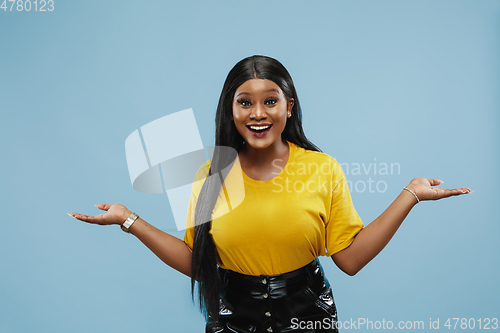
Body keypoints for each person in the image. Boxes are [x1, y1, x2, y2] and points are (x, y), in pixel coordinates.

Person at [70, 55, 471, 333]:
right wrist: (129, 219)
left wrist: (410, 195)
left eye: (270, 101)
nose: (257, 113)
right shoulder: (209, 175)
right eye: (245, 102)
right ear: (231, 110)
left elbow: (349, 259)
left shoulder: (321, 168)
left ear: (289, 107)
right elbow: (199, 264)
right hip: (231, 317)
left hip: (307, 313)